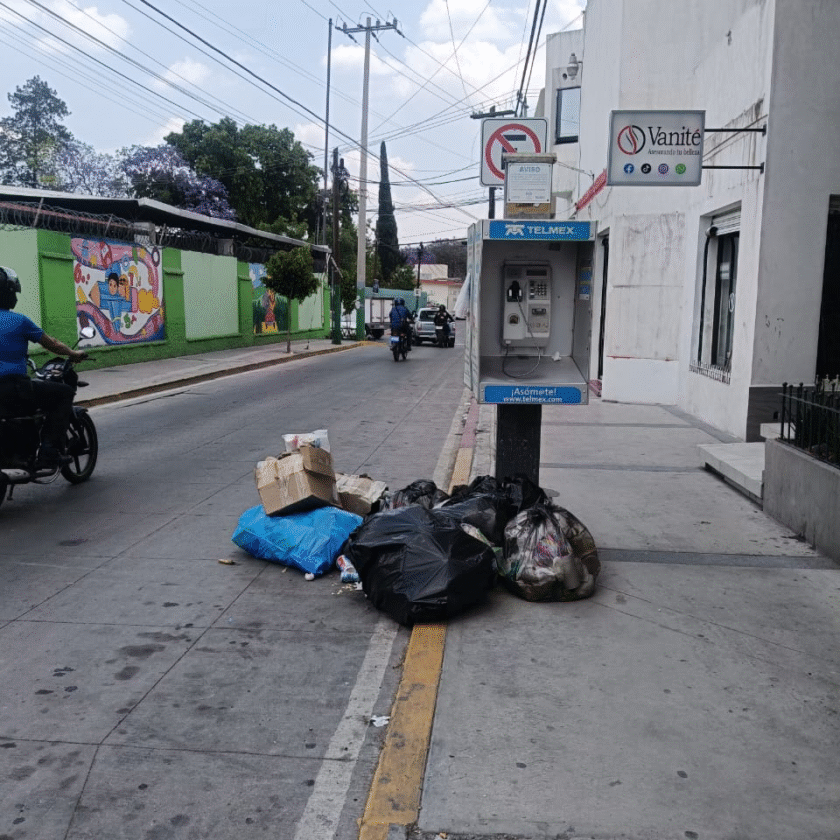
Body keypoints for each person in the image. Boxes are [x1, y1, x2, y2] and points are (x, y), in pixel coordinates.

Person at [0, 266, 89, 468]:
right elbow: (52, 344)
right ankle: (49, 451)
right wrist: (74, 354)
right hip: (13, 388)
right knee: (64, 393)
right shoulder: (19, 321)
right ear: (9, 294)